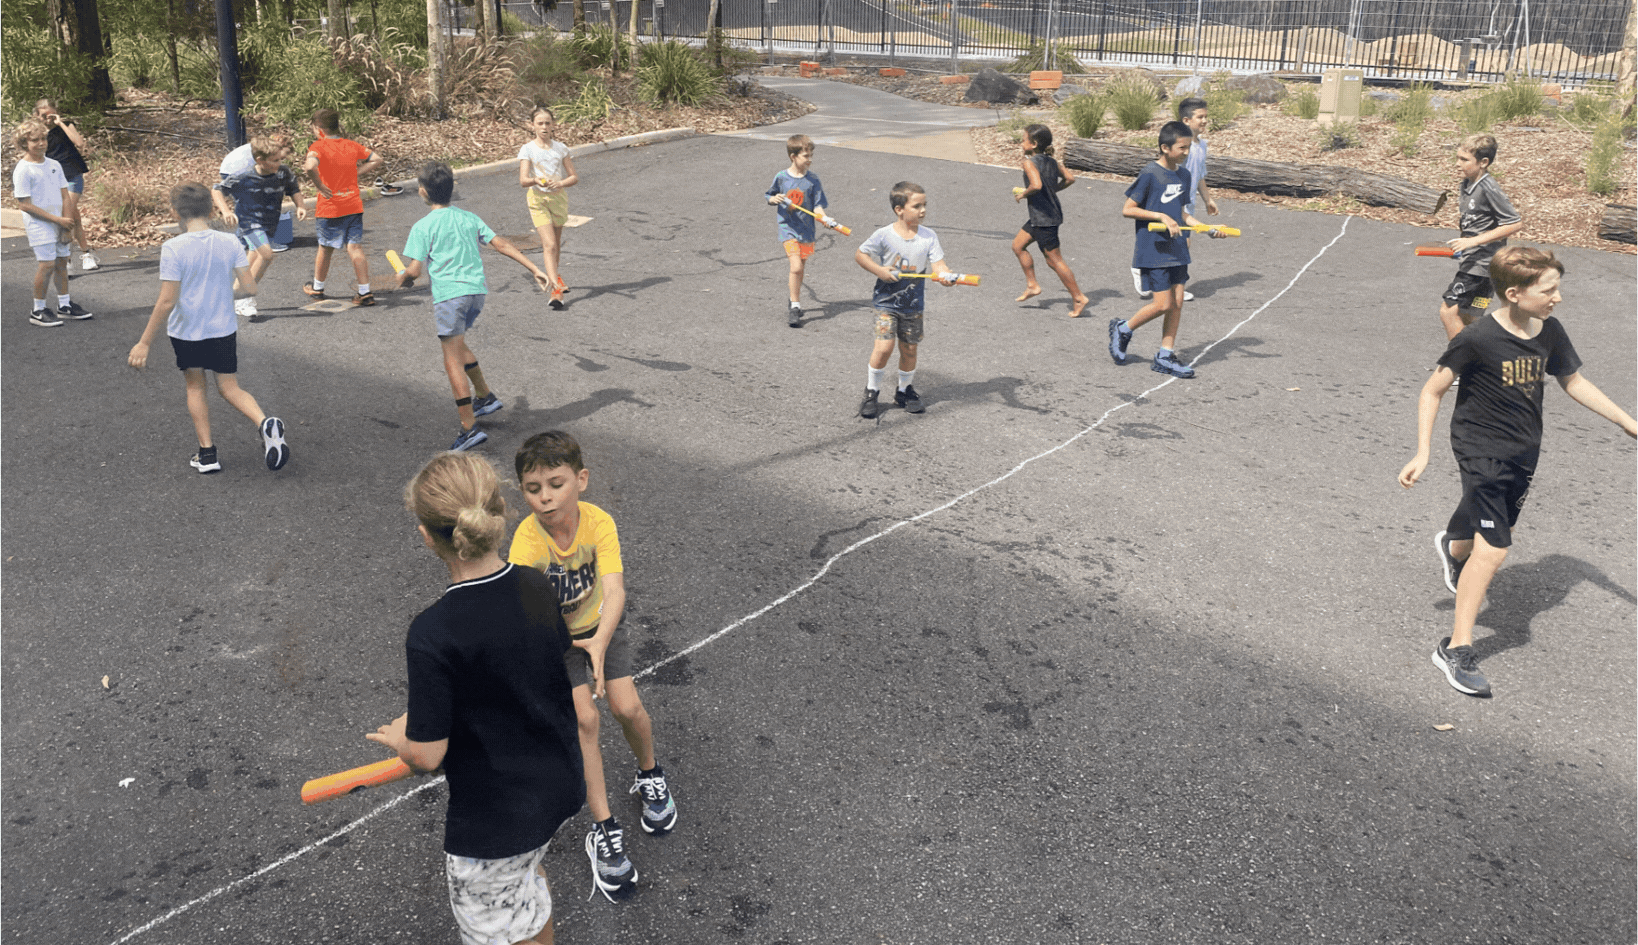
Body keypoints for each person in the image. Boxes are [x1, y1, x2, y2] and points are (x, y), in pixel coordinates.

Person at [1397, 247, 1636, 697]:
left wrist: (1627, 422)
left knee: (1483, 531)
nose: (1558, 298)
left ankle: (1454, 543)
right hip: (1480, 450)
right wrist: (1422, 452)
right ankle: (1456, 648)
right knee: (1494, 551)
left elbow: (1574, 381)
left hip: (1524, 451)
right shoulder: (1477, 339)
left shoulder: (1549, 332)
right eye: (1548, 290)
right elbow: (1433, 391)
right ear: (1514, 293)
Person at [370, 451, 584, 945]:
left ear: (427, 535)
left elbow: (427, 754)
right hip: (557, 788)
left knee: (500, 910)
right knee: (527, 885)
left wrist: (404, 737)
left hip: (496, 823)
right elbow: (544, 668)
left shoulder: (433, 632)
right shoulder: (534, 584)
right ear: (500, 511)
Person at [508, 430, 677, 903]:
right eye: (533, 488)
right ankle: (603, 828)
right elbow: (524, 613)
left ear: (581, 480)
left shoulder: (599, 522)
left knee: (627, 707)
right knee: (585, 719)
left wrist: (600, 642)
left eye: (555, 484)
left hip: (602, 626)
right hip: (556, 639)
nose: (544, 498)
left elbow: (616, 589)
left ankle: (649, 772)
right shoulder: (526, 541)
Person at [127, 183, 290, 474]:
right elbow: (249, 287)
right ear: (212, 209)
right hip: (222, 328)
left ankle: (207, 454)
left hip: (187, 331)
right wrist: (225, 292)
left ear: (174, 212)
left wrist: (144, 342)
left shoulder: (173, 248)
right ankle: (264, 423)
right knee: (230, 387)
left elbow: (166, 301)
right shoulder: (230, 243)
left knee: (195, 386)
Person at [395, 162, 552, 452]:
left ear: (422, 192)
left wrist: (402, 278)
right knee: (458, 344)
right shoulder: (469, 218)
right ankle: (485, 396)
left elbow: (414, 272)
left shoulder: (422, 226)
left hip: (450, 297)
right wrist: (534, 268)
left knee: (451, 359)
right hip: (475, 294)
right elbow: (500, 243)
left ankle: (468, 428)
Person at [1107, 120, 1224, 379]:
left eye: (1188, 148)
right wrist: (1159, 216)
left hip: (1177, 248)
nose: (1186, 153)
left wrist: (1207, 229)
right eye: (1181, 148)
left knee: (1177, 303)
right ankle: (1123, 329)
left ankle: (1164, 355)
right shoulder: (1150, 173)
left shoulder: (1184, 175)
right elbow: (1128, 209)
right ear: (1164, 147)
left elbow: (1183, 214)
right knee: (1162, 304)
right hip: (1154, 249)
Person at [853, 181, 957, 418]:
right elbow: (861, 254)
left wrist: (945, 276)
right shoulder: (884, 235)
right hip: (886, 303)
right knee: (884, 347)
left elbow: (939, 266)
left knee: (909, 349)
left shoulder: (928, 237)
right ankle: (872, 391)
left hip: (913, 305)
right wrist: (879, 271)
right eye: (916, 206)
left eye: (924, 205)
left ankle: (904, 390)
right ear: (899, 209)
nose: (923, 210)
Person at [1436, 133, 1523, 341]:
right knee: (1472, 317)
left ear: (1483, 162)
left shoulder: (1488, 188)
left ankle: (1460, 364)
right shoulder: (1467, 184)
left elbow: (1514, 223)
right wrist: (1463, 247)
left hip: (1481, 268)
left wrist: (1472, 242)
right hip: (1477, 265)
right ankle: (1487, 363)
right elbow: (1476, 224)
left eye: (1464, 160)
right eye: (1457, 158)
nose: (1458, 164)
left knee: (1449, 311)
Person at [212, 135, 308, 318]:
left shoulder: (283, 172)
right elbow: (217, 190)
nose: (279, 163)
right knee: (267, 254)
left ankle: (232, 294)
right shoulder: (245, 176)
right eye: (274, 160)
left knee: (253, 257)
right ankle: (245, 297)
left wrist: (301, 206)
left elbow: (293, 189)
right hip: (249, 223)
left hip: (270, 222)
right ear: (260, 160)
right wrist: (226, 211)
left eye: (280, 159)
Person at [1133, 96, 1218, 303]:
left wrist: (1208, 201)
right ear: (1186, 120)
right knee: (1182, 242)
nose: (1205, 120)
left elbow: (1200, 175)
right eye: (1200, 117)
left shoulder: (1201, 146)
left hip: (1185, 202)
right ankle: (1143, 270)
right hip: (1169, 200)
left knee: (1183, 241)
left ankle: (1173, 285)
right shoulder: (1174, 151)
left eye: (1206, 116)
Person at [301, 108, 383, 305]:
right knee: (354, 247)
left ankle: (317, 288)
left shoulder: (318, 146)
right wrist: (356, 173)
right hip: (353, 205)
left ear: (319, 128)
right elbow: (377, 158)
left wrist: (319, 185)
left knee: (325, 248)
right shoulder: (351, 145)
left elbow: (310, 166)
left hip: (330, 207)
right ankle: (365, 292)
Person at [13, 120, 91, 327]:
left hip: (61, 222)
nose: (41, 143)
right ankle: (37, 310)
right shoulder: (23, 169)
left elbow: (65, 196)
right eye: (35, 140)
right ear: (24, 143)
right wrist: (57, 220)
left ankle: (64, 306)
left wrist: (66, 225)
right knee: (47, 265)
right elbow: (25, 205)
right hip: (40, 224)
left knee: (61, 264)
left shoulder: (54, 165)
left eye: (44, 138)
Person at [1010, 123, 1089, 318]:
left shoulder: (1029, 162)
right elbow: (1070, 179)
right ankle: (1032, 285)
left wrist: (1023, 194)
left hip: (1044, 219)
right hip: (1044, 216)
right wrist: (1053, 190)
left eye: (1024, 139)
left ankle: (1079, 297)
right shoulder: (1052, 161)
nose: (1021, 142)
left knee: (1054, 261)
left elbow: (1035, 184)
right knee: (1018, 246)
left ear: (1034, 143)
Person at [765, 134, 839, 328]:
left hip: (807, 231)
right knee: (796, 266)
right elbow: (770, 195)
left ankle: (793, 297)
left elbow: (817, 207)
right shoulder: (781, 177)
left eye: (811, 154)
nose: (810, 159)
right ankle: (795, 307)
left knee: (801, 268)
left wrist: (825, 218)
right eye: (806, 155)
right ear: (793, 156)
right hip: (787, 229)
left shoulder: (813, 180)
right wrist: (774, 199)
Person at [516, 106, 578, 311]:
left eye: (547, 123)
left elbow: (573, 177)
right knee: (549, 245)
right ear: (532, 125)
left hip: (558, 199)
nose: (544, 127)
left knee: (556, 245)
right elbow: (524, 180)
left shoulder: (561, 148)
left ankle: (555, 277)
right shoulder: (528, 149)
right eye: (540, 123)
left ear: (553, 125)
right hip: (537, 200)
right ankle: (555, 290)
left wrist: (560, 183)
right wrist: (536, 179)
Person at [33, 99, 99, 271]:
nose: (47, 119)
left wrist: (60, 123)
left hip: (72, 175)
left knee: (66, 213)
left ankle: (66, 260)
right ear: (36, 116)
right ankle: (86, 254)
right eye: (43, 116)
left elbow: (79, 143)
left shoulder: (66, 125)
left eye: (51, 115)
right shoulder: (36, 134)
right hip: (52, 180)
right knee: (74, 219)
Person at [221, 132, 297, 252]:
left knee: (250, 208)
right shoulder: (264, 153)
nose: (284, 158)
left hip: (234, 169)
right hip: (233, 171)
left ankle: (248, 241)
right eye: (285, 153)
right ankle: (248, 241)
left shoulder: (266, 149)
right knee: (248, 207)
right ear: (280, 146)